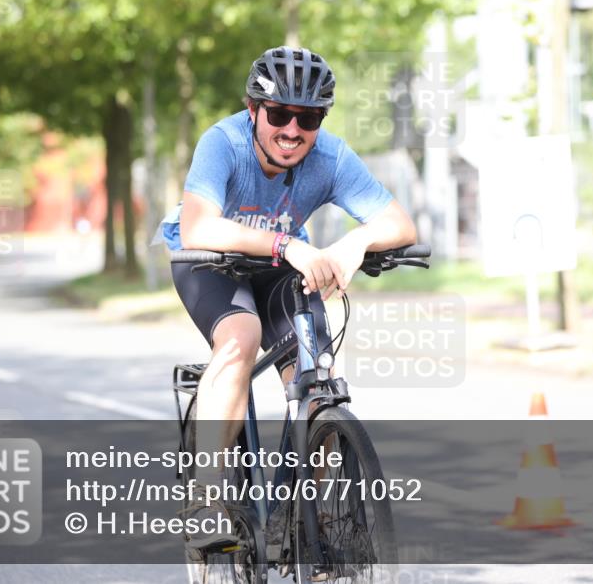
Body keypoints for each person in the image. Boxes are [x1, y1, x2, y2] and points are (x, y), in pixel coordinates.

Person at [162, 46, 417, 550]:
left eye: (309, 118)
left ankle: (318, 519)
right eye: (279, 114)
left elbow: (400, 223)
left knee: (315, 369)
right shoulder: (223, 142)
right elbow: (197, 227)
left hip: (280, 268)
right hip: (208, 260)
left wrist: (354, 243)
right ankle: (208, 503)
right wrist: (289, 243)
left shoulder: (330, 157)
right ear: (254, 110)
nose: (292, 130)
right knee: (241, 335)